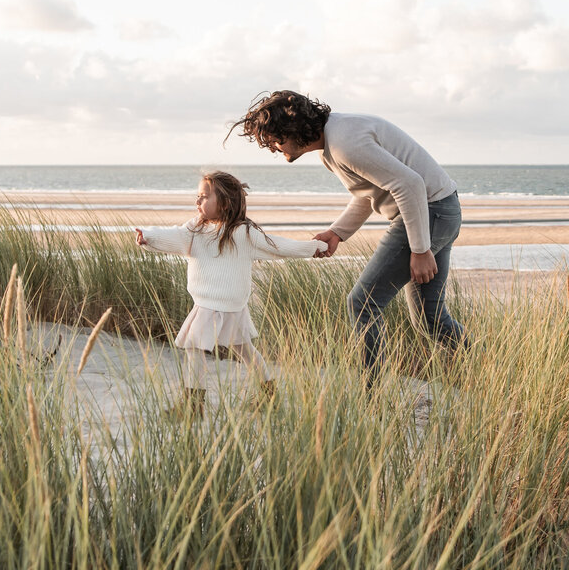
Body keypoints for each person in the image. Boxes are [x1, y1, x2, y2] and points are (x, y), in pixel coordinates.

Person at [228, 90, 468, 385]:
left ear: (293, 128)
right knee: (430, 319)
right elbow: (367, 195)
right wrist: (337, 233)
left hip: (428, 213)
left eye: (275, 139)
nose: (274, 148)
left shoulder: (344, 145)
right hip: (442, 210)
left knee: (362, 304)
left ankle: (373, 397)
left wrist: (420, 250)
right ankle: (485, 369)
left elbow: (410, 184)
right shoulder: (334, 142)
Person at [135, 171, 328, 419]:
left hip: (213, 304)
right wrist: (149, 236)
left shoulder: (242, 234)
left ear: (224, 203)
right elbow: (175, 236)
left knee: (195, 349)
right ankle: (269, 397)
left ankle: (194, 406)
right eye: (198, 196)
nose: (198, 202)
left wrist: (314, 248)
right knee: (245, 350)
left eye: (204, 197)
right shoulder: (195, 228)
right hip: (228, 305)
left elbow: (278, 246)